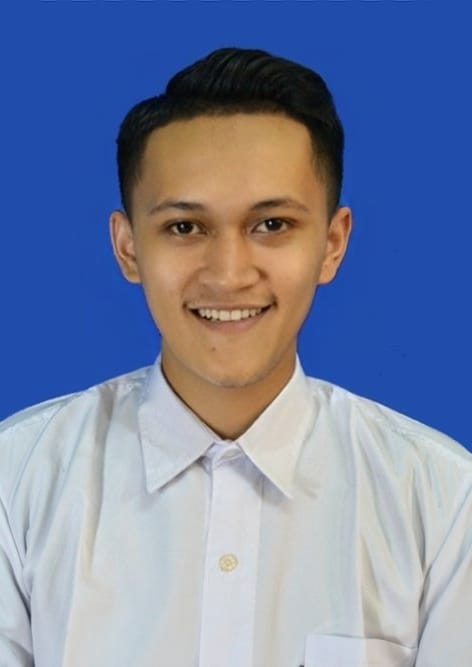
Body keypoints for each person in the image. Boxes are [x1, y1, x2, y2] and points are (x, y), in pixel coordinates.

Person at [0, 47, 471, 667]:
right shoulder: (17, 482)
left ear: (332, 244)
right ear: (128, 247)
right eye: (185, 228)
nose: (228, 274)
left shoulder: (442, 501)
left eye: (272, 225)